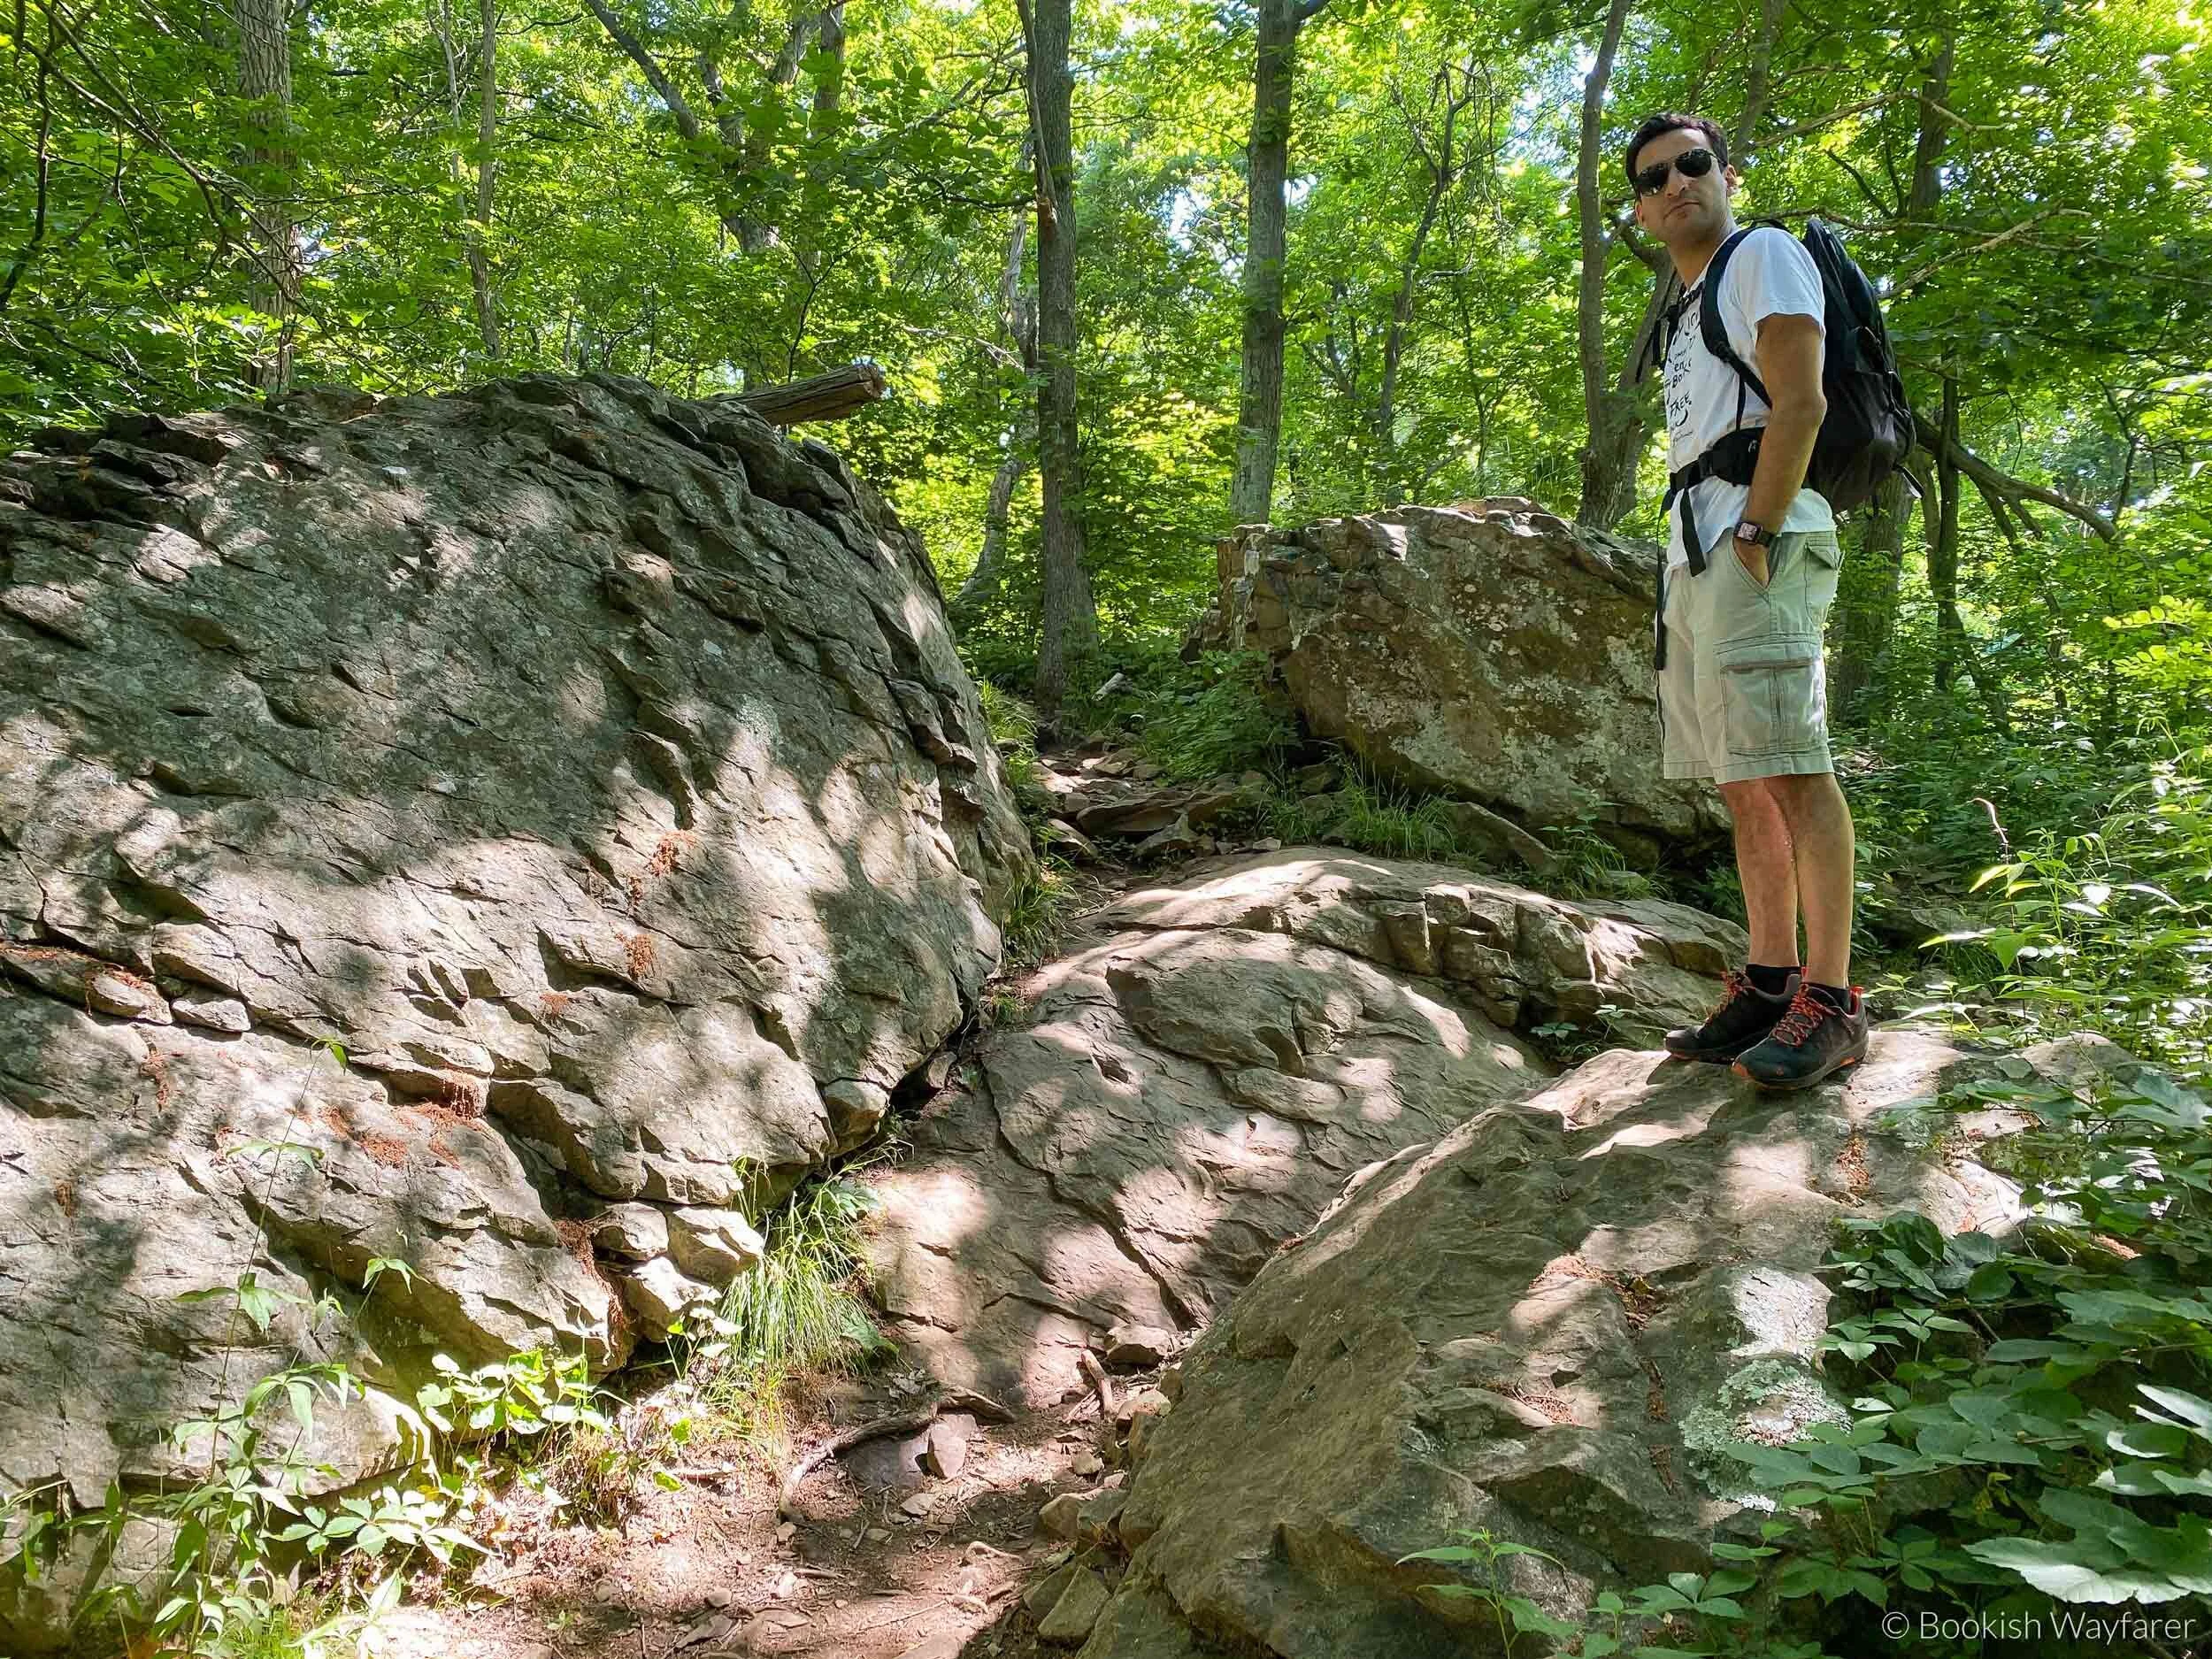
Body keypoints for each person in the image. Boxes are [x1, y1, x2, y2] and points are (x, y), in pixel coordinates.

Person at [1625, 111, 1869, 1089]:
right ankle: (1768, 983)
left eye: (1692, 165)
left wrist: (1759, 533)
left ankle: (1834, 1001)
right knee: (1741, 777)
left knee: (1793, 769)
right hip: (1697, 546)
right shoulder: (1682, 306)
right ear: (1640, 211)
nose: (1676, 183)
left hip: (1754, 538)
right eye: (1654, 178)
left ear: (1727, 173)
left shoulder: (1759, 254)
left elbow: (1798, 401)